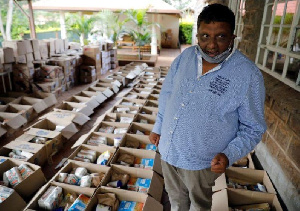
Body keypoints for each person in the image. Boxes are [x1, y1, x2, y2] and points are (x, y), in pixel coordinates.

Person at [149, 4, 267, 211]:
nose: (211, 45)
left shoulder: (247, 75)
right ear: (197, 36)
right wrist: (159, 126)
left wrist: (230, 154)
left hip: (202, 164)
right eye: (205, 36)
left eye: (220, 37)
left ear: (232, 37)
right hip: (168, 152)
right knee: (176, 203)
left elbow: (253, 128)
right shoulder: (184, 58)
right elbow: (168, 94)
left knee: (199, 206)